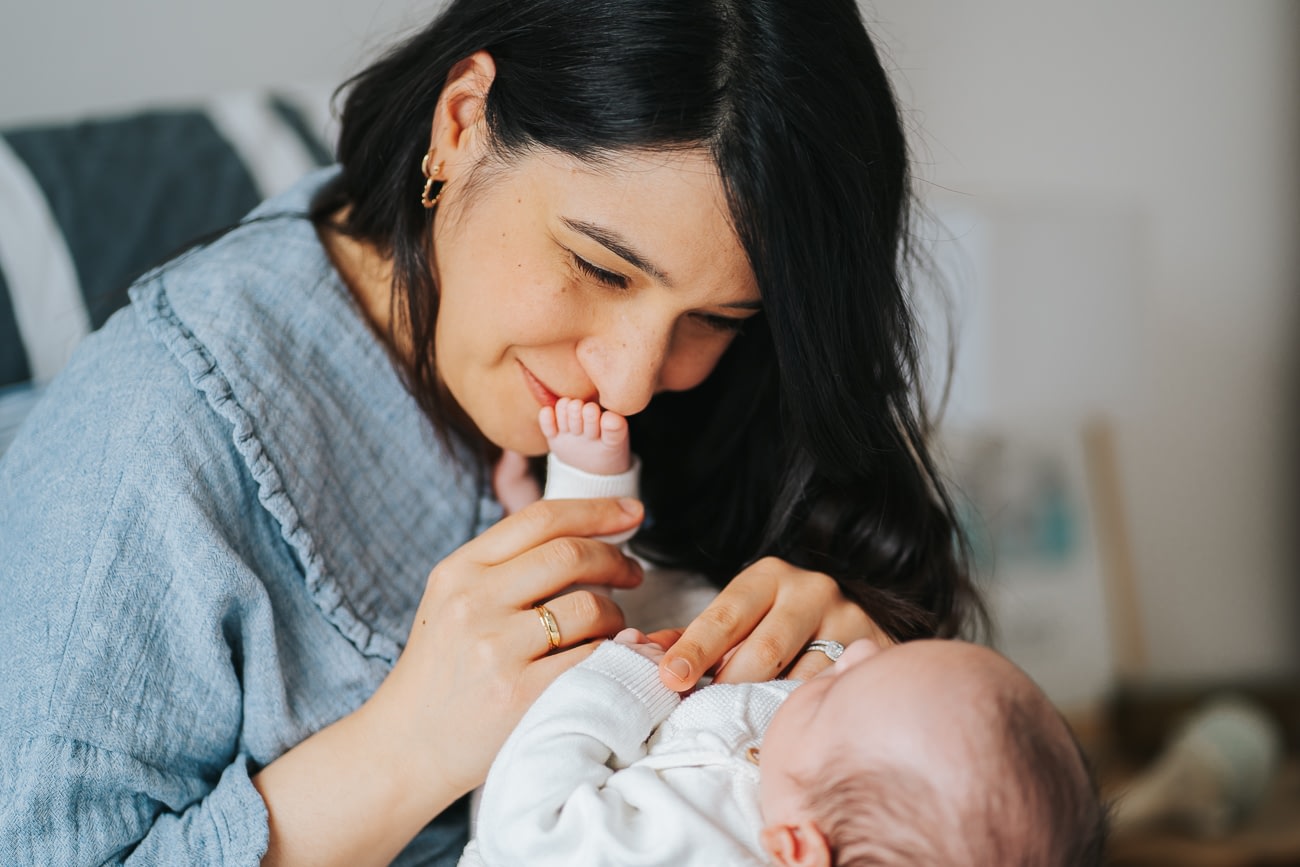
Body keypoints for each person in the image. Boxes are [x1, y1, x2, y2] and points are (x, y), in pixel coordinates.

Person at [0, 0, 981, 863]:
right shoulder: (152, 438)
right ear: (462, 124)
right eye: (601, 268)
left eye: (718, 319)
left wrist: (866, 685)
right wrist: (405, 748)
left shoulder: (729, 397)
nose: (634, 381)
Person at [460, 633, 1107, 867]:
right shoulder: (807, 776)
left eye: (835, 690)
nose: (859, 648)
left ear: (796, 847)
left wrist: (622, 683)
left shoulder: (686, 844)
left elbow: (526, 826)